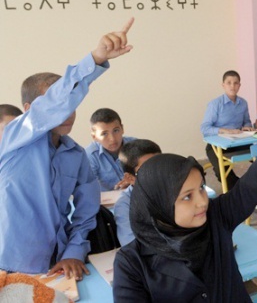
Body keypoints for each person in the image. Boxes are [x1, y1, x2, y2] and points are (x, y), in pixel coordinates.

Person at [112, 77, 257, 302]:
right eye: (187, 197)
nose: (202, 201)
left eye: (201, 188)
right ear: (158, 203)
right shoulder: (131, 263)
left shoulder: (215, 218)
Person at [0, 18, 134, 278]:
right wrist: (95, 58)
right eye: (60, 102)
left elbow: (87, 210)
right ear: (29, 111)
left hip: (57, 260)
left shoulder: (75, 154)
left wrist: (73, 250)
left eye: (72, 103)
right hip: (9, 263)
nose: (68, 111)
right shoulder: (15, 136)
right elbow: (57, 101)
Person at [200, 70, 254, 190]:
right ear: (223, 85)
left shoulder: (243, 103)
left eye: (235, 83)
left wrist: (247, 126)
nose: (232, 86)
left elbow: (247, 121)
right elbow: (205, 128)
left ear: (239, 85)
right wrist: (226, 131)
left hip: (238, 142)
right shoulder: (215, 104)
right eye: (229, 83)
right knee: (222, 171)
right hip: (217, 146)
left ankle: (254, 186)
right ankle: (240, 190)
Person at [114, 139, 162, 246]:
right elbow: (130, 245)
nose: (157, 173)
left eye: (160, 165)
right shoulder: (125, 205)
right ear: (130, 178)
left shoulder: (175, 190)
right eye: (147, 170)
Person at [85, 108, 136, 191]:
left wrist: (135, 181)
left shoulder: (137, 147)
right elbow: (90, 190)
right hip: (108, 202)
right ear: (94, 136)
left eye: (116, 130)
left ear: (122, 129)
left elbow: (151, 177)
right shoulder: (90, 155)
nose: (112, 139)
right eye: (104, 133)